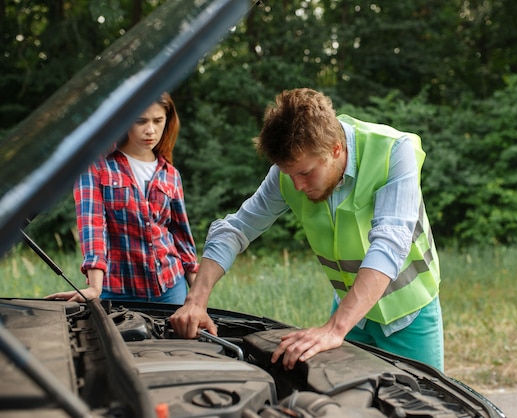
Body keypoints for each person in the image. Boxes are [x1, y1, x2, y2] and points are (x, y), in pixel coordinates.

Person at [169, 88, 444, 370]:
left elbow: (389, 244)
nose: (297, 186)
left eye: (305, 173)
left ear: (336, 148)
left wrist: (335, 329)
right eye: (290, 174)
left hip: (408, 314)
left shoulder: (394, 151)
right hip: (352, 312)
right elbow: (236, 228)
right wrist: (196, 301)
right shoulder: (289, 170)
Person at [46, 92, 198, 304]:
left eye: (158, 121)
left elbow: (181, 237)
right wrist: (94, 287)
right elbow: (93, 225)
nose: (150, 130)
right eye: (141, 121)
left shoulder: (171, 174)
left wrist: (198, 296)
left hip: (171, 288)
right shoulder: (96, 166)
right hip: (117, 291)